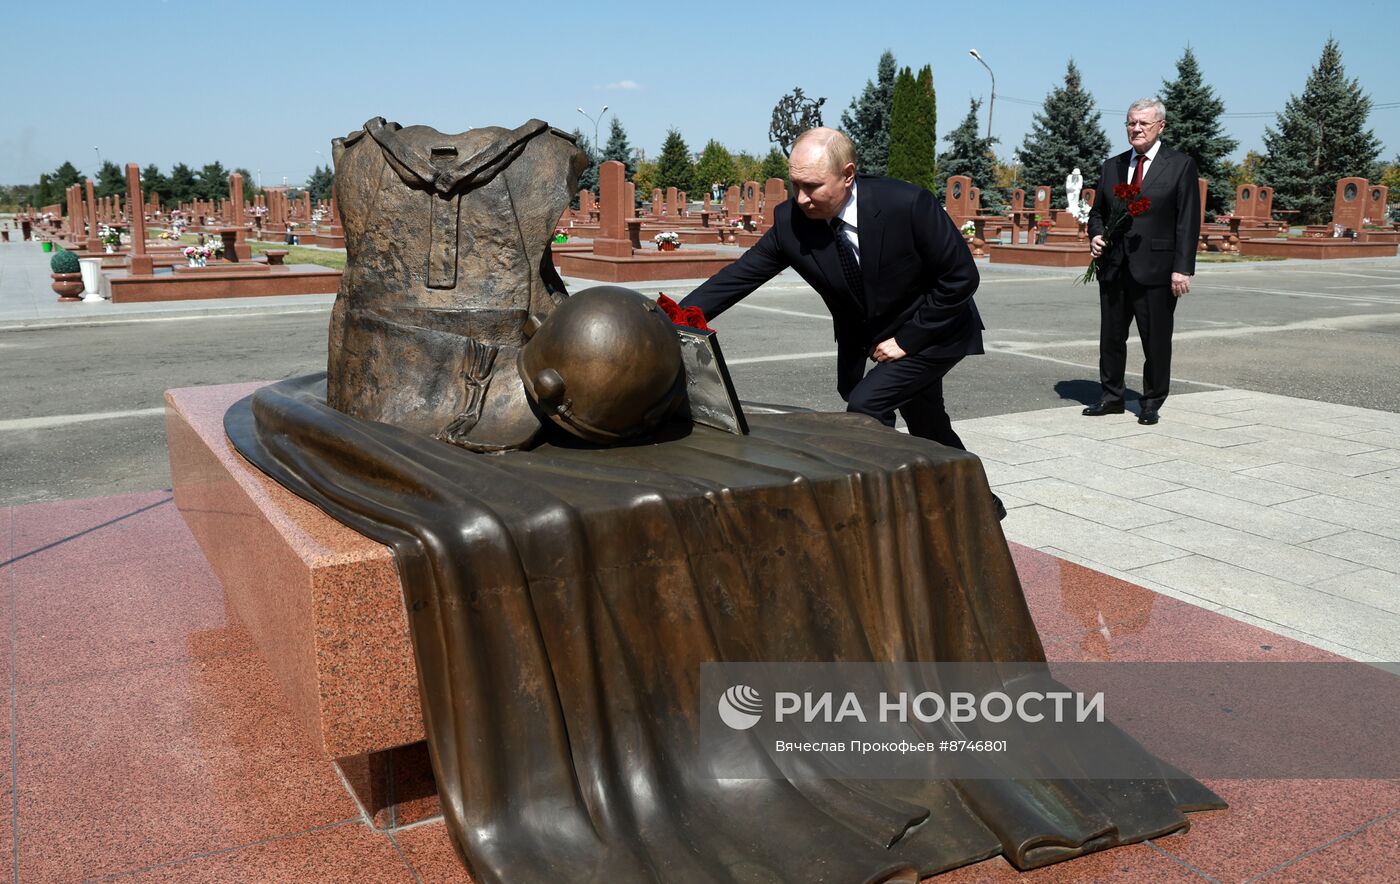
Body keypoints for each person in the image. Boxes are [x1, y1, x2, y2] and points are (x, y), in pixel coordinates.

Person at [680, 127, 1004, 519]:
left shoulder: (907, 203)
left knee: (867, 405)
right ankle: (980, 503)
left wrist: (907, 339)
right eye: (795, 185)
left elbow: (961, 278)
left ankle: (883, 511)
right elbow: (739, 277)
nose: (801, 198)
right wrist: (674, 319)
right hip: (870, 335)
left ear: (848, 175)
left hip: (935, 328)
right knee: (927, 421)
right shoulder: (792, 222)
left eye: (812, 186)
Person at [1085, 97, 1200, 426]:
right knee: (1111, 337)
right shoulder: (1113, 165)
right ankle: (1111, 397)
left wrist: (1182, 268)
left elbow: (1188, 221)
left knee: (1156, 339)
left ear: (1160, 126)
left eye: (1143, 123)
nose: (1135, 128)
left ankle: (1151, 401)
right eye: (1130, 122)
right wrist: (1094, 235)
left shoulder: (1179, 164)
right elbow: (1098, 213)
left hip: (1158, 270)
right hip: (1115, 267)